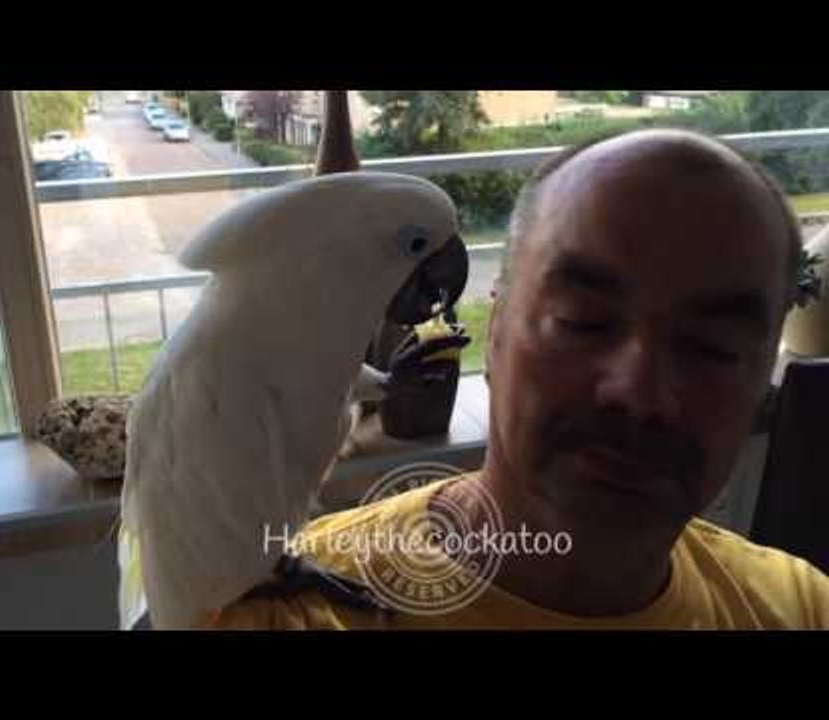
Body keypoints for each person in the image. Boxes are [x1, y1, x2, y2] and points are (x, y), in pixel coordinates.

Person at [201, 127, 829, 629]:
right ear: (494, 331)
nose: (638, 392)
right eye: (582, 321)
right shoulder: (275, 611)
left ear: (763, 388)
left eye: (713, 347)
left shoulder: (800, 605)